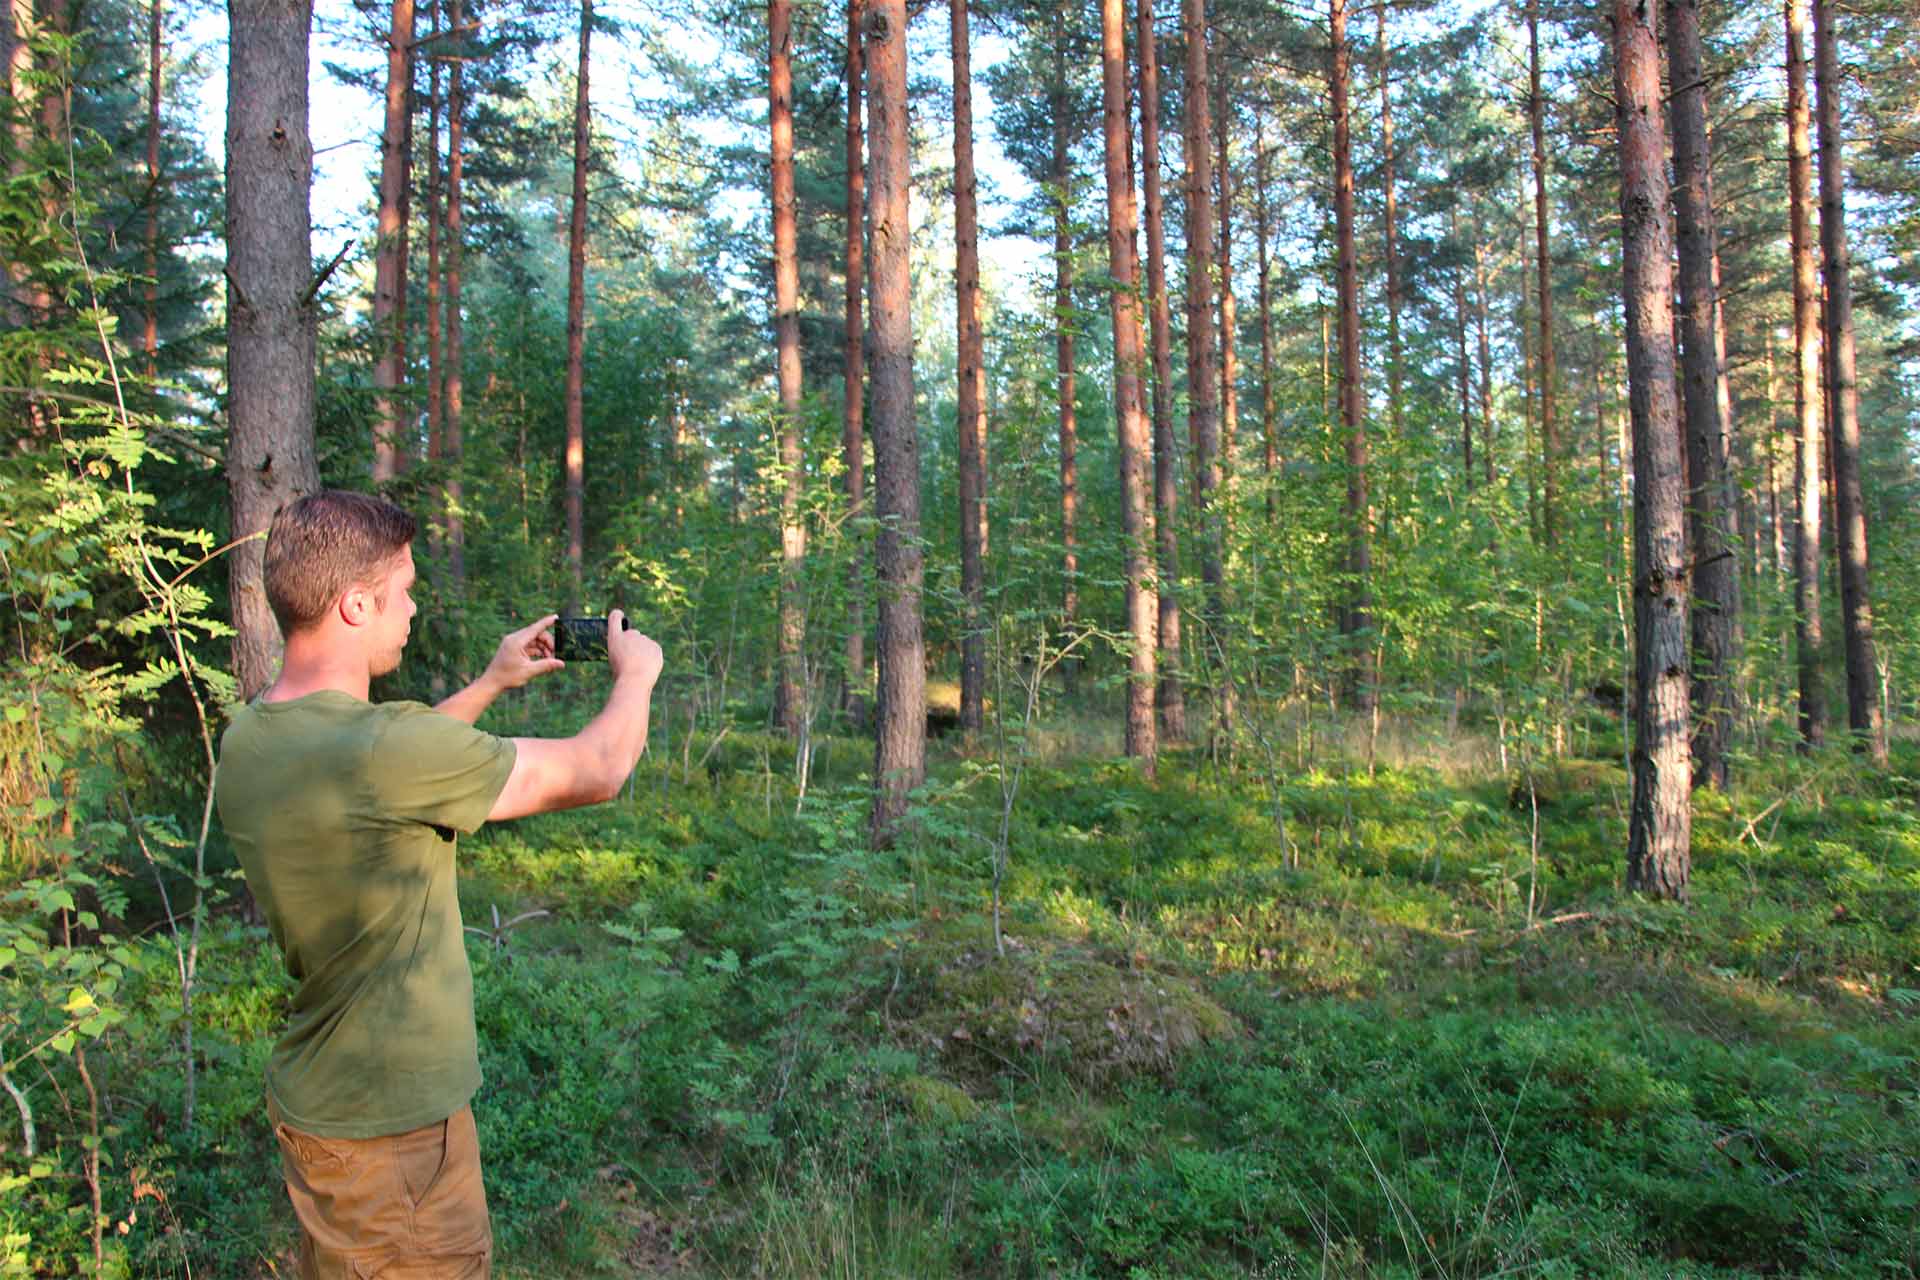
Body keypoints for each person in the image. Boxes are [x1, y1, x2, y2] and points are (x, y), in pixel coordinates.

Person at [215, 490, 662, 1279]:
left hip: (323, 1110)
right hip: (397, 1141)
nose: (414, 609)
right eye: (406, 589)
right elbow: (600, 768)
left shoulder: (252, 733)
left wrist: (492, 681)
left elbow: (389, 769)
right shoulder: (385, 751)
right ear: (355, 604)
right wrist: (637, 675)